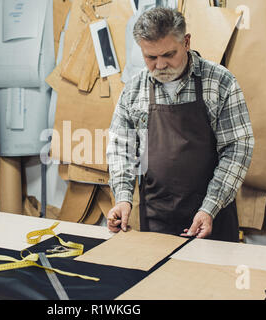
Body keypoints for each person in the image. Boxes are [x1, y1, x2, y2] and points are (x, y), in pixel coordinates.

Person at [106, 7, 254, 242]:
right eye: (151, 58)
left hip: (211, 216)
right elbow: (120, 148)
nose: (160, 65)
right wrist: (123, 197)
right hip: (156, 217)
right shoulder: (134, 90)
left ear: (186, 42)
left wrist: (209, 207)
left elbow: (237, 149)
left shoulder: (220, 82)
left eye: (168, 54)